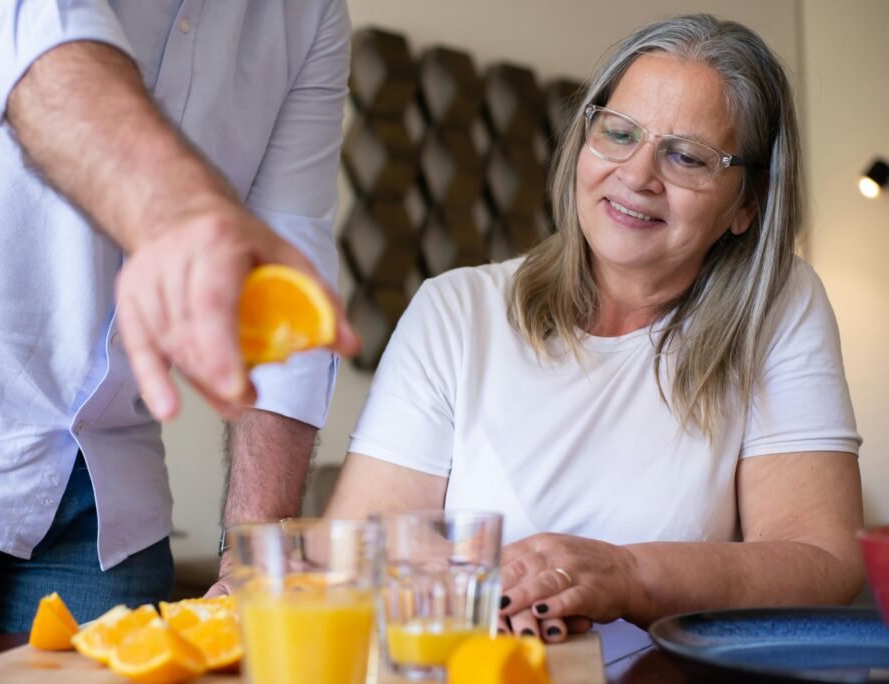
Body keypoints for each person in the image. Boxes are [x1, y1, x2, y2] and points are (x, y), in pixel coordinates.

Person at [326, 13, 864, 643]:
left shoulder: (779, 305)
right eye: (619, 132)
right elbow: (357, 559)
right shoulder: (455, 310)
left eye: (686, 156)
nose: (637, 175)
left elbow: (823, 560)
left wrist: (626, 573)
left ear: (748, 203)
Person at [0, 1, 356, 643]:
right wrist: (176, 212)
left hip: (107, 493)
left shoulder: (311, 13)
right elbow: (30, 34)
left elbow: (290, 264)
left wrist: (255, 558)